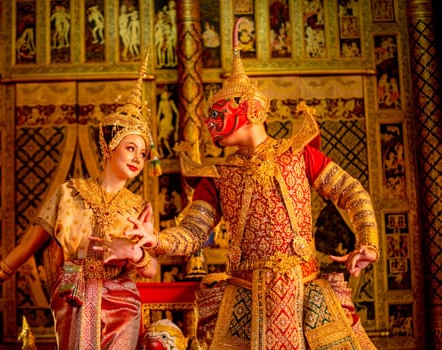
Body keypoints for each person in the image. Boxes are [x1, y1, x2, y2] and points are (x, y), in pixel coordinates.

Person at [130, 18, 379, 350]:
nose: (211, 121)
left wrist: (369, 242)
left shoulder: (298, 155)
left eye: (219, 111)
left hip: (306, 293)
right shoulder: (218, 176)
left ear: (250, 109)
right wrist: (155, 239)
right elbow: (192, 232)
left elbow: (351, 191)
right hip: (247, 299)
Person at [0, 52, 161, 350]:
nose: (138, 158)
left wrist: (136, 255)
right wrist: (0, 270)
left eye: (143, 153)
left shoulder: (138, 206)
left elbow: (150, 269)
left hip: (122, 299)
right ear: (109, 148)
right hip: (75, 294)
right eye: (130, 148)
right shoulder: (70, 192)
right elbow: (33, 239)